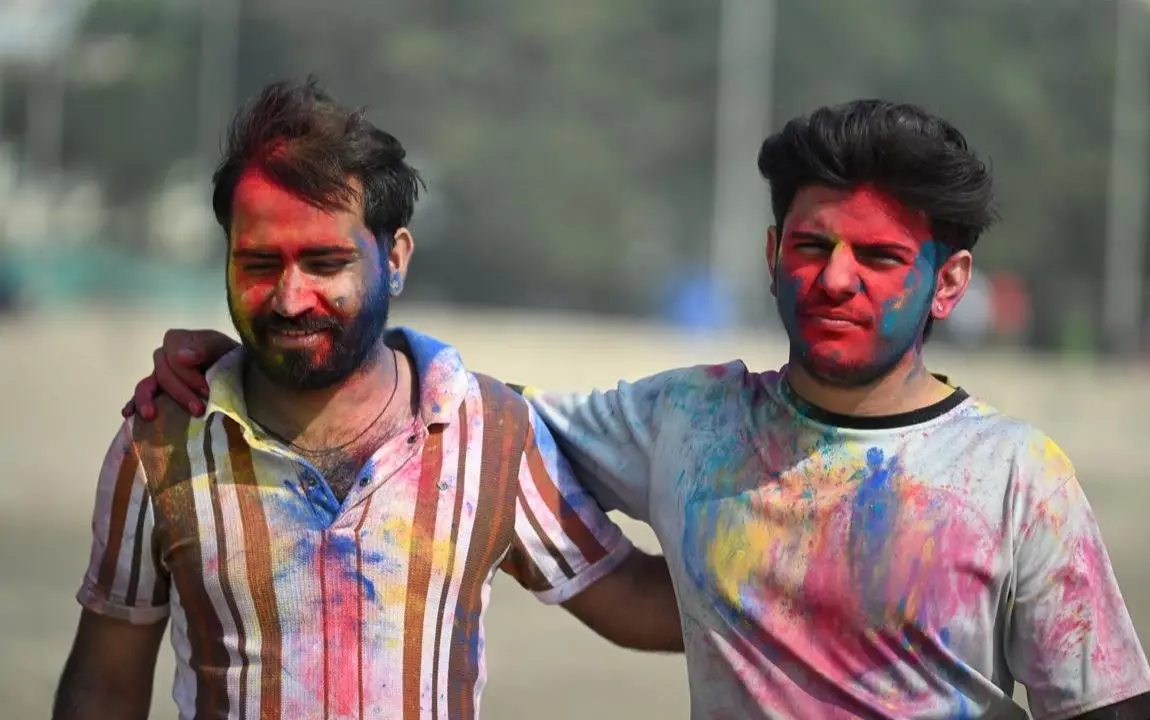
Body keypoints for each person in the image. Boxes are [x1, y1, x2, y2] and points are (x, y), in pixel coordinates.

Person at [126, 100, 1150, 720]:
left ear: (947, 283)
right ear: (772, 257)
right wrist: (258, 349)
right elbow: (450, 414)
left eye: (881, 258)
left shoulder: (1017, 477)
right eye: (810, 247)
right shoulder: (685, 423)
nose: (835, 278)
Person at [54, 78, 681, 720]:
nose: (290, 297)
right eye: (259, 263)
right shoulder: (162, 445)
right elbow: (105, 686)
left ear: (396, 258)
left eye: (325, 263)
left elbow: (631, 598)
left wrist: (782, 563)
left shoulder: (490, 435)